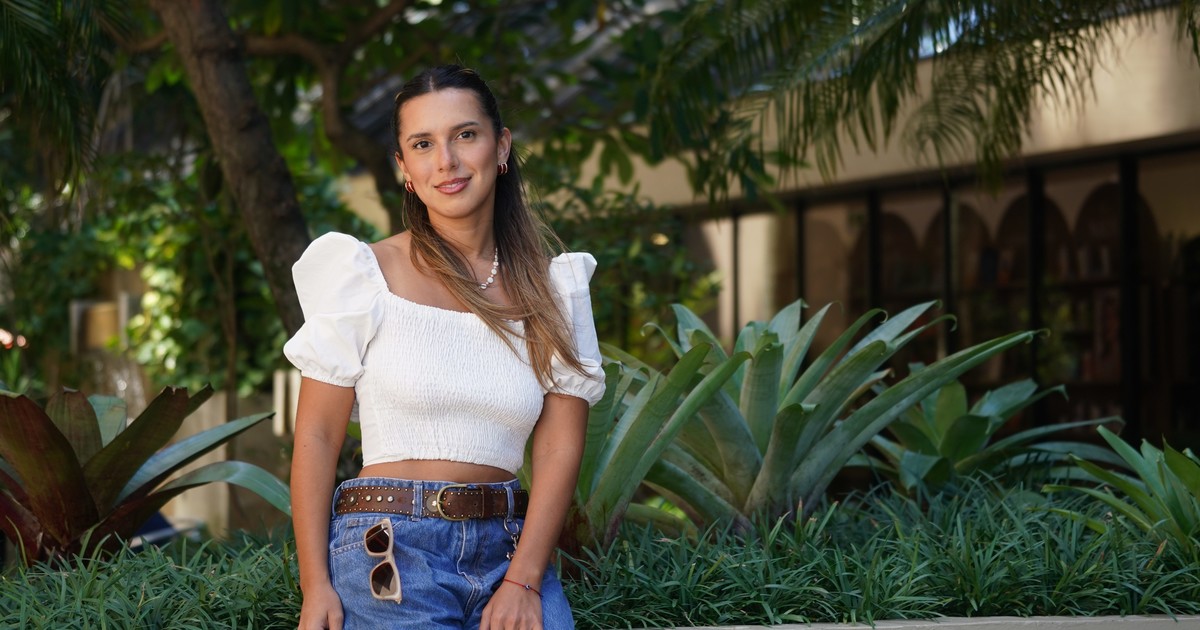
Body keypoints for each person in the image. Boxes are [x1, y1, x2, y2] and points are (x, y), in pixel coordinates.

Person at [284, 64, 605, 630]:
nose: (446, 161)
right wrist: (316, 586)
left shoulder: (554, 289)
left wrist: (524, 579)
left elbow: (559, 446)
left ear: (501, 147)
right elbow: (316, 434)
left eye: (465, 135)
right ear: (404, 168)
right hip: (390, 545)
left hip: (510, 548)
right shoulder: (363, 274)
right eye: (423, 144)